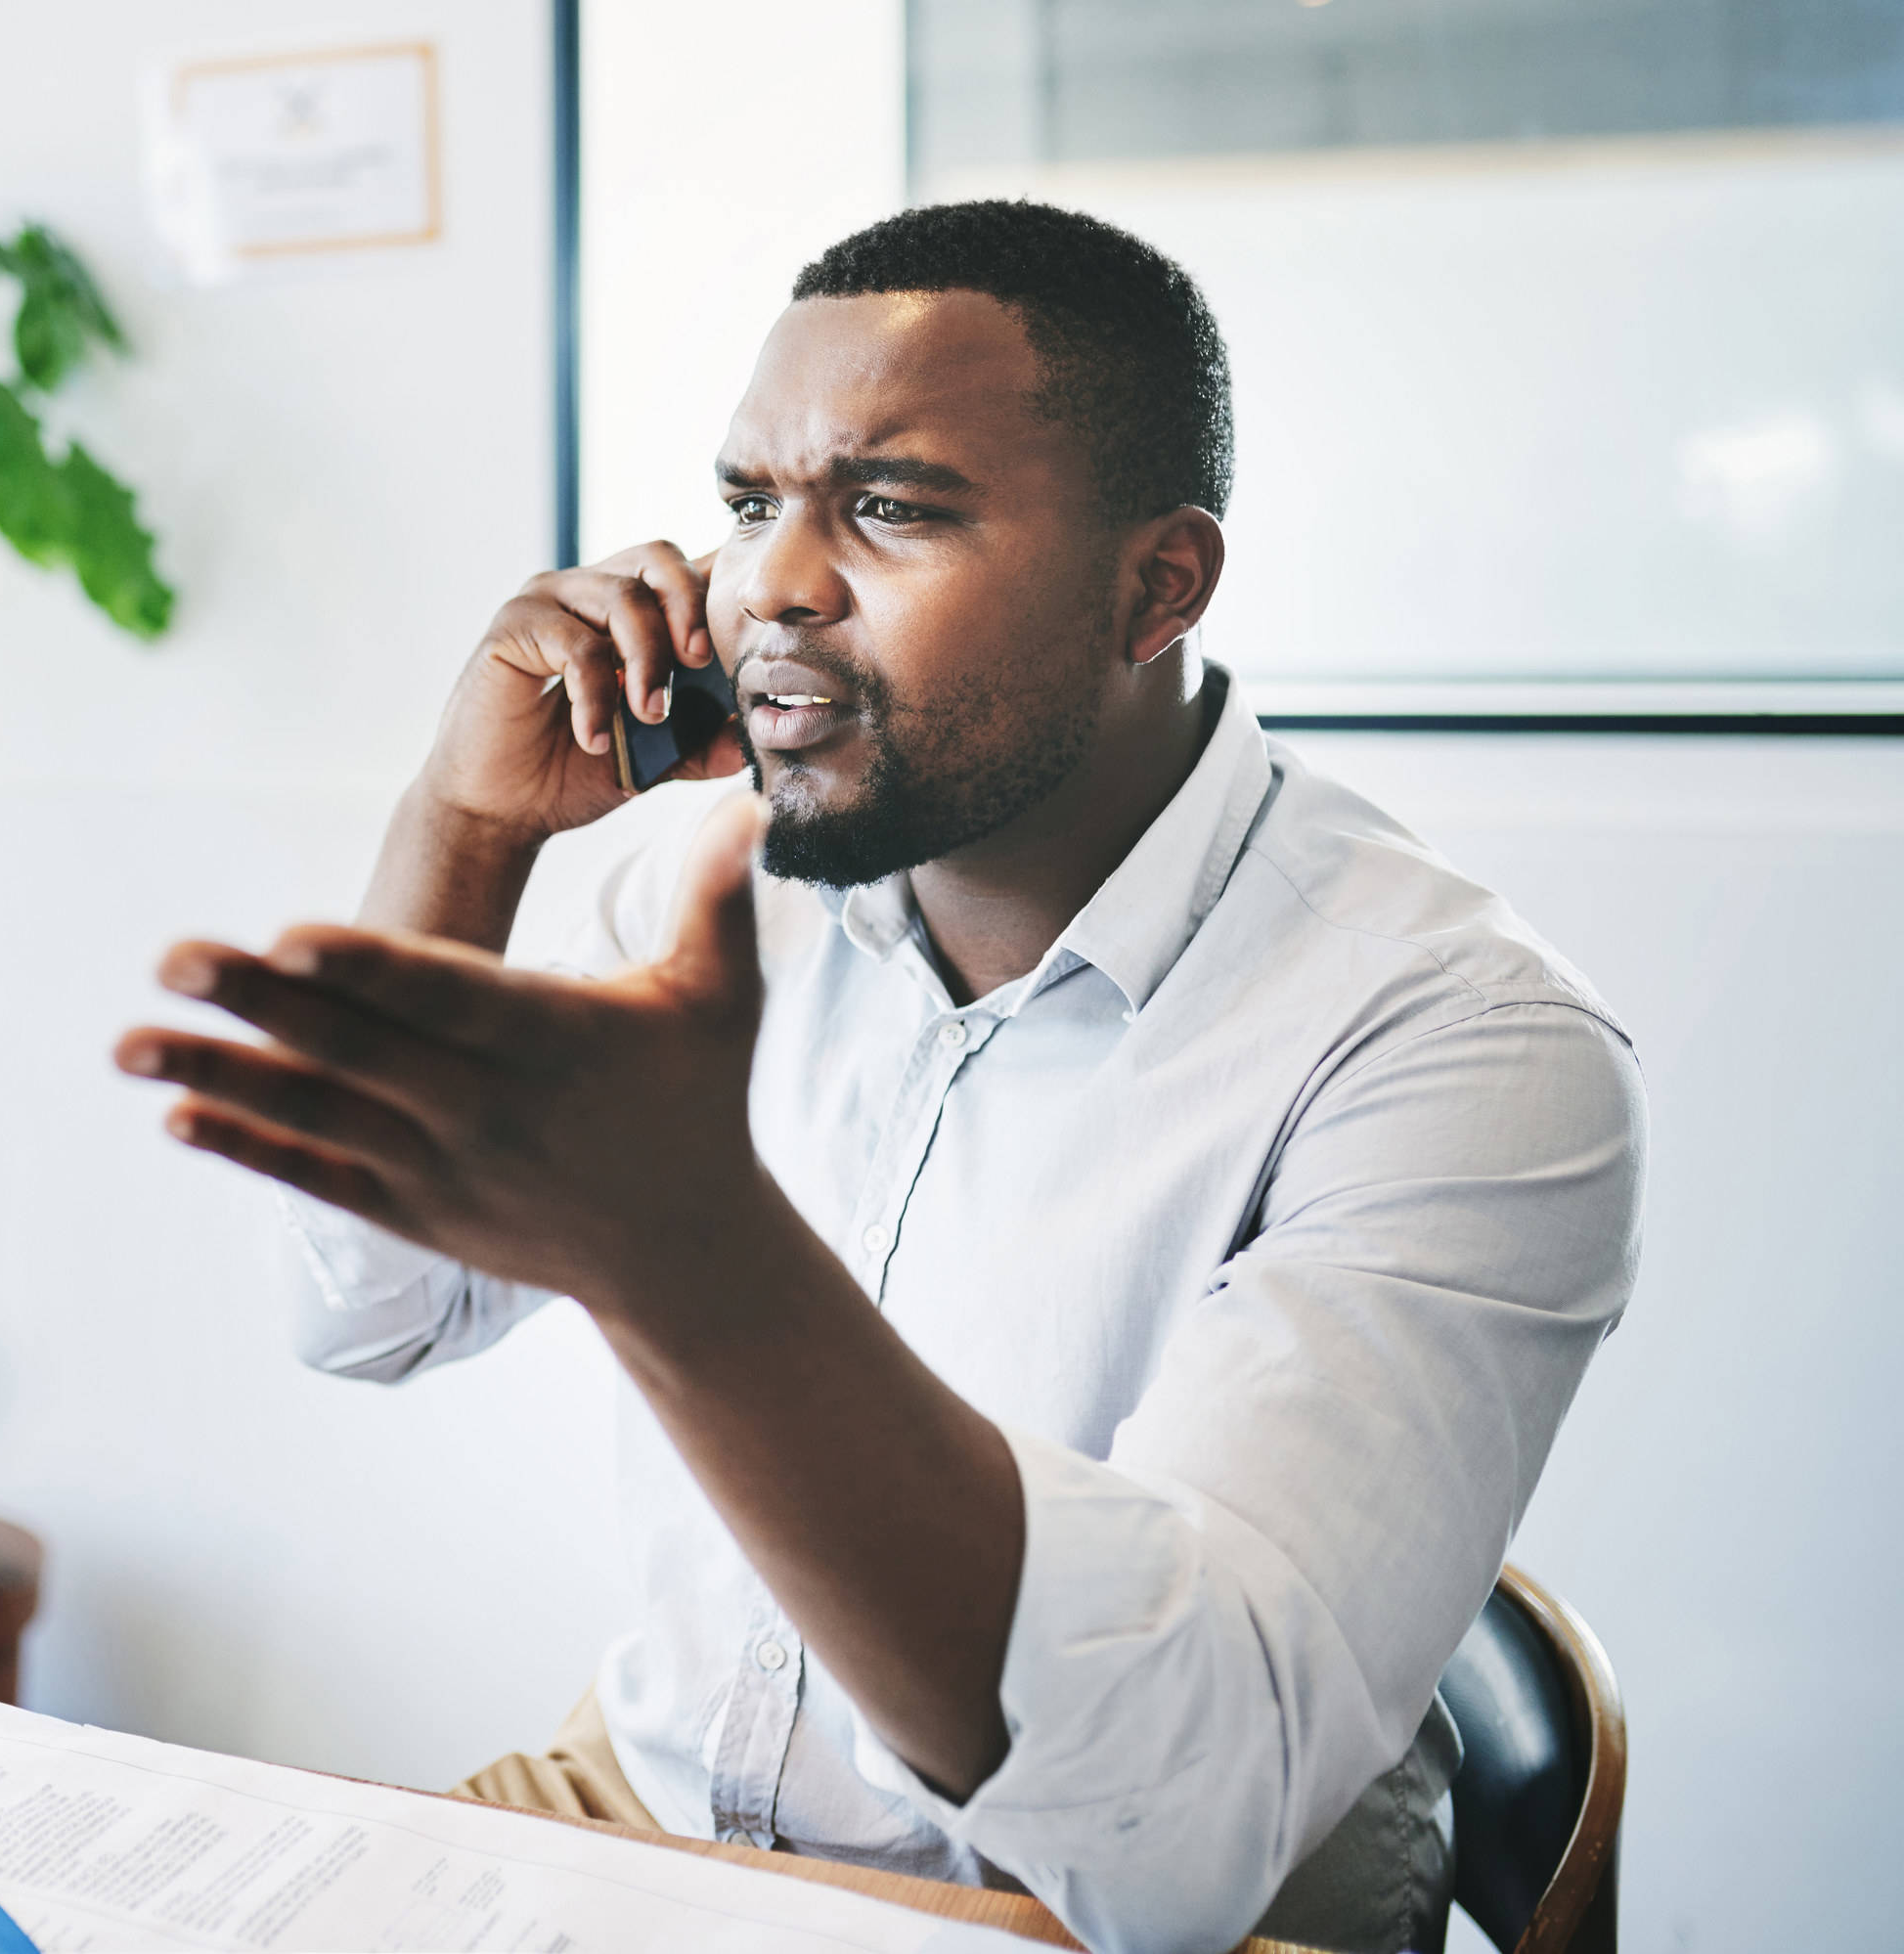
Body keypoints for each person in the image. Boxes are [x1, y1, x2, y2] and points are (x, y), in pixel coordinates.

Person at [112, 200, 1644, 1954]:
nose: (769, 581)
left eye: (891, 507)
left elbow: (1172, 1843)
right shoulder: (700, 879)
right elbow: (362, 1312)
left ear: (1158, 586)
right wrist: (461, 830)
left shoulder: (1460, 1045)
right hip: (651, 1810)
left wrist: (692, 1260)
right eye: (753, 503)